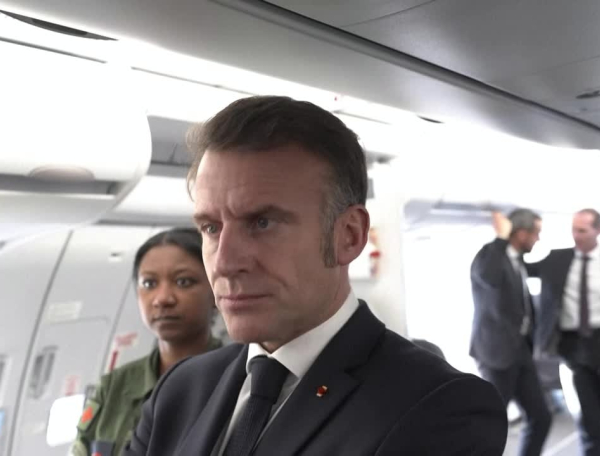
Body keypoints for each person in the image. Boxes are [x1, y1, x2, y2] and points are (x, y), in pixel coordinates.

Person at [126, 96, 507, 456]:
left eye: (262, 223)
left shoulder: (440, 406)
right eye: (211, 228)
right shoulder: (181, 389)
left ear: (348, 236)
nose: (224, 263)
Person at [71, 228, 223, 456]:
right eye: (149, 284)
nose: (163, 299)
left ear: (216, 290)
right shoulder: (114, 386)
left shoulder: (240, 380)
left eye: (183, 282)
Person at [511, 208, 600, 456]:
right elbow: (519, 265)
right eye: (573, 230)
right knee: (588, 418)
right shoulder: (557, 259)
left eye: (582, 230)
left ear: (597, 231)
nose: (576, 235)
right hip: (573, 346)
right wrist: (508, 236)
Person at [470, 208, 552, 456]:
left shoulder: (518, 261)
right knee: (490, 425)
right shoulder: (489, 256)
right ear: (522, 233)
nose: (538, 238)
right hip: (496, 354)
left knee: (541, 417)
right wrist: (500, 237)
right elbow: (490, 278)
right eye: (536, 232)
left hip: (520, 351)